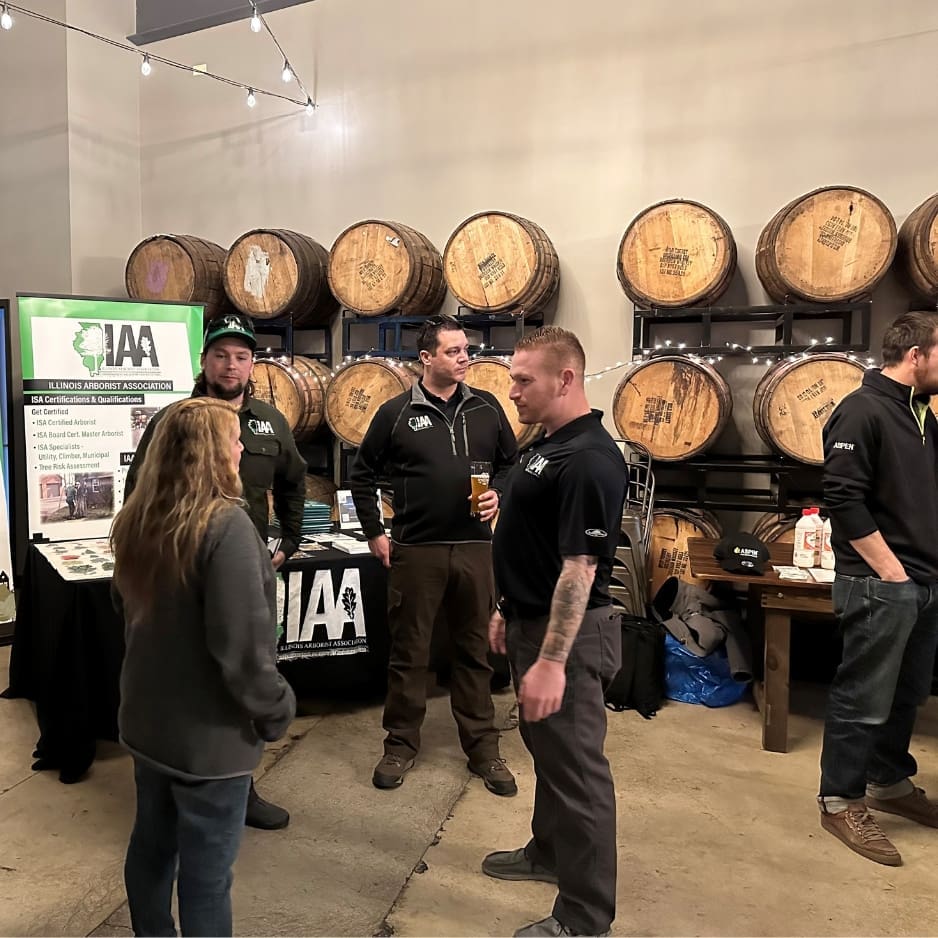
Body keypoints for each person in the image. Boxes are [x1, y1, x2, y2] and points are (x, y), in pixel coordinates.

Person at [112, 397, 296, 938]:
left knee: (150, 847)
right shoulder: (228, 529)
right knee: (207, 879)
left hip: (149, 725)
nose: (242, 448)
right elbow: (243, 651)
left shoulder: (138, 521)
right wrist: (277, 710)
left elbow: (126, 614)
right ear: (211, 454)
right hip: (209, 742)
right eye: (233, 440)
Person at [126, 312, 306, 831]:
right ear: (204, 361)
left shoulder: (270, 422)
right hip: (181, 572)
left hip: (245, 569)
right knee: (185, 670)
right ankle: (173, 780)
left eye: (242, 356)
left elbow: (294, 483)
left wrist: (288, 541)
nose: (231, 364)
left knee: (243, 664)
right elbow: (140, 487)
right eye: (221, 354)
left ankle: (237, 783)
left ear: (253, 364)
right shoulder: (175, 418)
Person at [482, 326, 626, 938]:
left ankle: (585, 917)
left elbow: (579, 568)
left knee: (578, 774)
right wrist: (504, 606)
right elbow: (533, 540)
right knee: (548, 755)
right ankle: (547, 852)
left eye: (523, 380)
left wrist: (550, 662)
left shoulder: (590, 457)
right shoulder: (545, 444)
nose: (511, 391)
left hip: (563, 636)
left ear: (565, 379)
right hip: (527, 619)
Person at [349, 314, 519, 794]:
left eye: (466, 349)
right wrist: (373, 532)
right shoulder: (396, 413)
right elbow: (362, 474)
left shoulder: (486, 408)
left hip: (474, 548)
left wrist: (500, 493)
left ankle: (483, 748)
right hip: (416, 550)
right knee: (410, 652)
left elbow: (511, 464)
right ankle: (400, 744)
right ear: (426, 358)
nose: (465, 358)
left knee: (474, 650)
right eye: (453, 351)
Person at [818, 310, 938, 866]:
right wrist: (891, 572)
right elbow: (843, 498)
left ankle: (888, 782)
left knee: (907, 693)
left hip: (923, 582)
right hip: (881, 583)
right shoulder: (861, 410)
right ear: (916, 355)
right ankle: (840, 799)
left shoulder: (921, 414)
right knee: (862, 697)